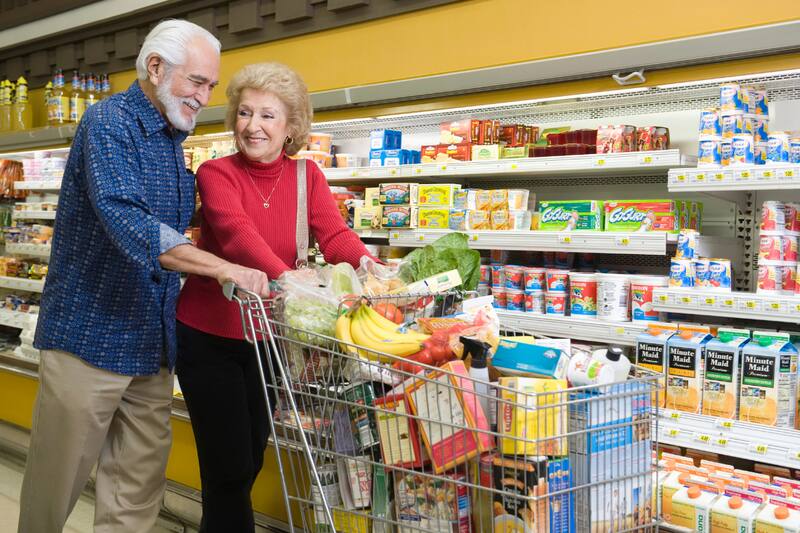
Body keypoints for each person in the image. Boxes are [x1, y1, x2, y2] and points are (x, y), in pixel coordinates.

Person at [19, 20, 270, 533]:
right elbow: (130, 225)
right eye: (197, 82)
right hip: (88, 340)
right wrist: (225, 268)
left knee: (137, 492)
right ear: (155, 68)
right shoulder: (110, 123)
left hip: (150, 345)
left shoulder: (172, 139)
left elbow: (185, 224)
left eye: (210, 86)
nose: (205, 97)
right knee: (56, 485)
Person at [175, 62, 374, 531]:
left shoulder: (308, 176)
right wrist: (289, 277)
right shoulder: (216, 173)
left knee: (249, 461)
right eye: (245, 113)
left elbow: (335, 235)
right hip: (209, 336)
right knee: (227, 469)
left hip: (268, 339)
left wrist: (371, 267)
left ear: (291, 127)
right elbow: (238, 235)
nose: (252, 126)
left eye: (267, 115)